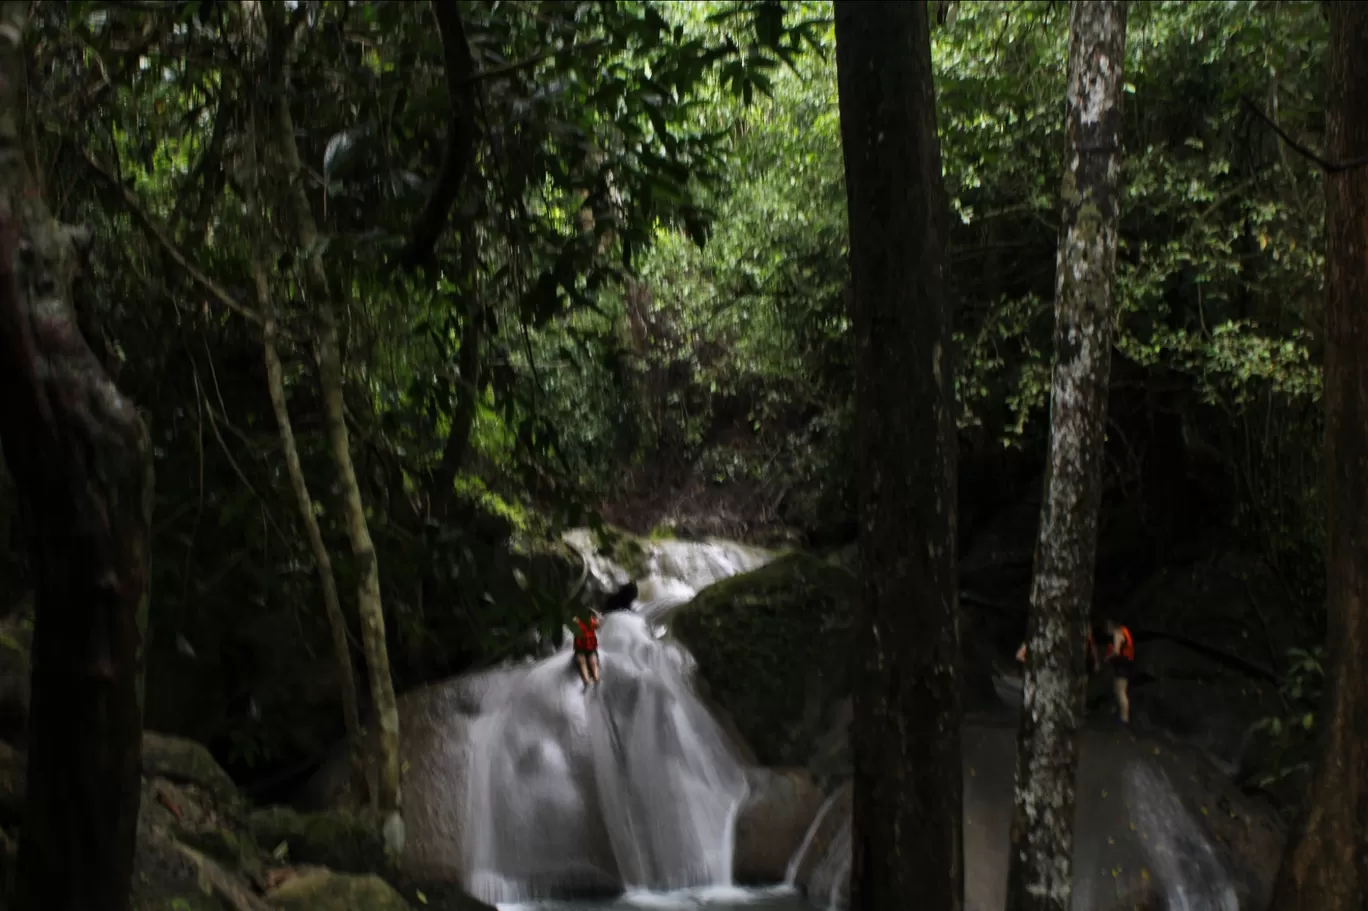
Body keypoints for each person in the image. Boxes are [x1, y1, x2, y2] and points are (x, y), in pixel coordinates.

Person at [1101, 618, 1135, 724]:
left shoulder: (1117, 633)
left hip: (1123, 666)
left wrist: (1106, 658)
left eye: (1107, 625)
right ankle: (1118, 713)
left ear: (1112, 625)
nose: (1106, 628)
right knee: (1116, 689)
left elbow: (1116, 651)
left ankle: (1124, 719)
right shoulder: (1122, 631)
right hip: (1122, 665)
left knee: (1121, 692)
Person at [572, 612, 602, 689]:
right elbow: (598, 625)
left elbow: (598, 625)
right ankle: (594, 678)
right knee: (590, 662)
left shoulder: (577, 620)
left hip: (584, 647)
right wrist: (597, 618)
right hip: (587, 646)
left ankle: (589, 680)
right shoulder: (590, 620)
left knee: (585, 662)